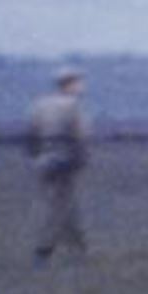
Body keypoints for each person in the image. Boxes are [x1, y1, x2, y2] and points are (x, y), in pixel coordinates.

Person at [25, 67, 93, 262]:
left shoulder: (40, 105)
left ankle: (78, 248)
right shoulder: (73, 106)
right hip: (64, 160)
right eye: (78, 82)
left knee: (62, 204)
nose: (81, 86)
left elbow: (31, 134)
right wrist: (82, 160)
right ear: (69, 84)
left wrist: (35, 158)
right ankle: (44, 250)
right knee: (60, 206)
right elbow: (81, 137)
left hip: (43, 160)